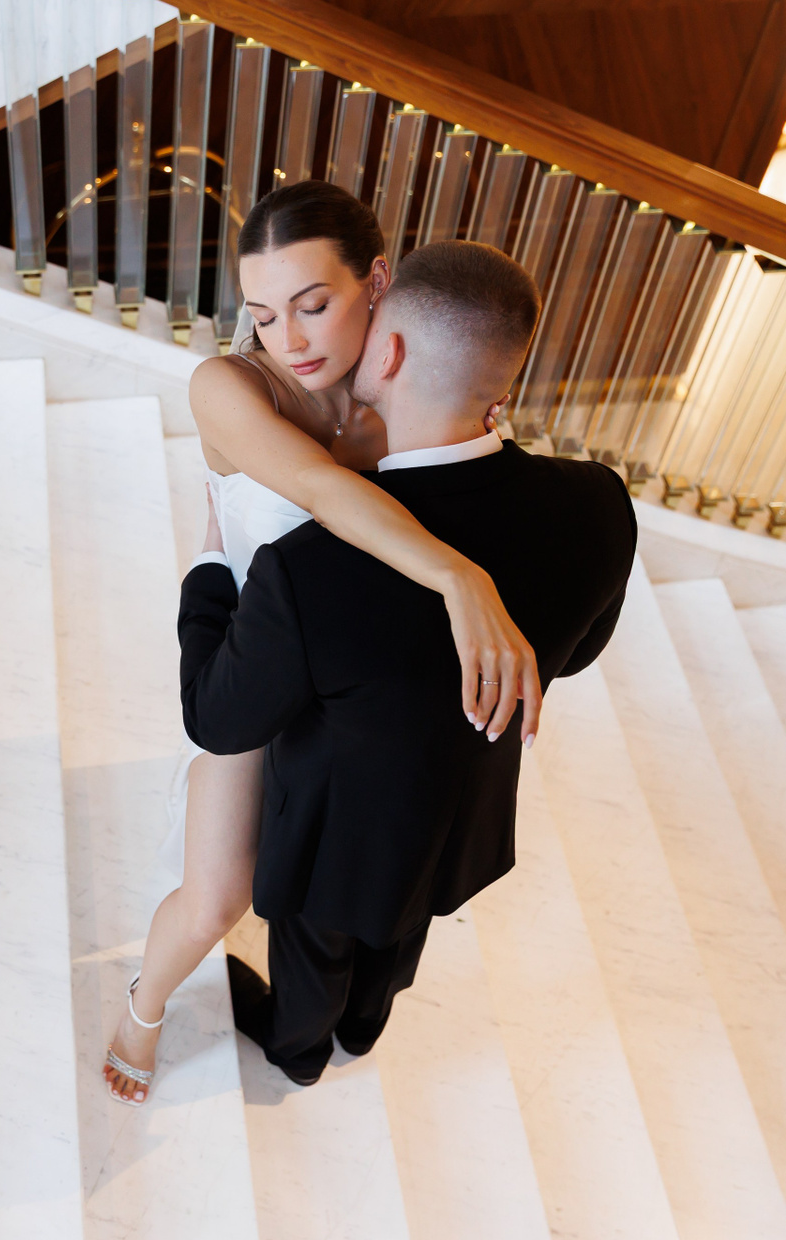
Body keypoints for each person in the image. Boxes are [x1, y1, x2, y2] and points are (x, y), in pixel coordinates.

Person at [103, 182, 540, 1105]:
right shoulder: (231, 387)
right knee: (217, 896)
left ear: (376, 282)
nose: (288, 340)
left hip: (349, 679)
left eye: (312, 305)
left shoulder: (404, 389)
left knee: (351, 867)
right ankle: (142, 1006)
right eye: (263, 315)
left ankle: (334, 1009)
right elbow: (326, 492)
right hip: (257, 658)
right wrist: (463, 579)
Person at [178, 238, 636, 1084]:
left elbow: (215, 717)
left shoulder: (309, 567)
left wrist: (210, 568)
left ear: (387, 353)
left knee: (316, 955)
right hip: (462, 817)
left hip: (336, 840)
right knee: (400, 938)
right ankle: (363, 1029)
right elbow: (574, 656)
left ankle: (300, 1050)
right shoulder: (599, 502)